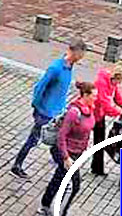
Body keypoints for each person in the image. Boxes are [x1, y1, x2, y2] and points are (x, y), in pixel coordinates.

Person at [11, 38, 87, 178]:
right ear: (73, 52)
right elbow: (40, 87)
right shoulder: (56, 68)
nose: (80, 59)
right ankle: (17, 165)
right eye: (79, 56)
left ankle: (62, 167)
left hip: (57, 111)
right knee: (34, 139)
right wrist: (37, 106)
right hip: (45, 112)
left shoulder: (69, 66)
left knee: (57, 141)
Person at [38, 81, 97, 216]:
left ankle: (45, 204)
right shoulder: (73, 113)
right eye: (93, 96)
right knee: (74, 185)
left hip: (77, 152)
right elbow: (61, 137)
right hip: (65, 152)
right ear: (85, 95)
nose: (95, 98)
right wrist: (65, 158)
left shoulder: (90, 109)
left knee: (59, 178)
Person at [91, 64, 122, 176]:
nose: (118, 84)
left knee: (99, 140)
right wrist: (119, 111)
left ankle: (97, 167)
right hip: (94, 113)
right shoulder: (102, 83)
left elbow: (117, 96)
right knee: (99, 141)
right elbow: (104, 102)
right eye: (118, 81)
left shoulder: (112, 82)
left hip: (100, 113)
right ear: (114, 77)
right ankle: (96, 168)